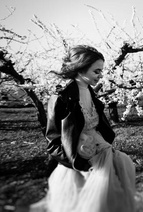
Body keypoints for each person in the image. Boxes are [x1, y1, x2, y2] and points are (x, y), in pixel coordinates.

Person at [31, 45, 135, 212]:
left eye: (101, 71)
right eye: (96, 71)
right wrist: (75, 163)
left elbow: (101, 127)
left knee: (111, 196)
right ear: (81, 69)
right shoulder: (60, 98)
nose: (100, 75)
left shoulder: (93, 95)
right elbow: (53, 141)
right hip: (76, 161)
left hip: (101, 153)